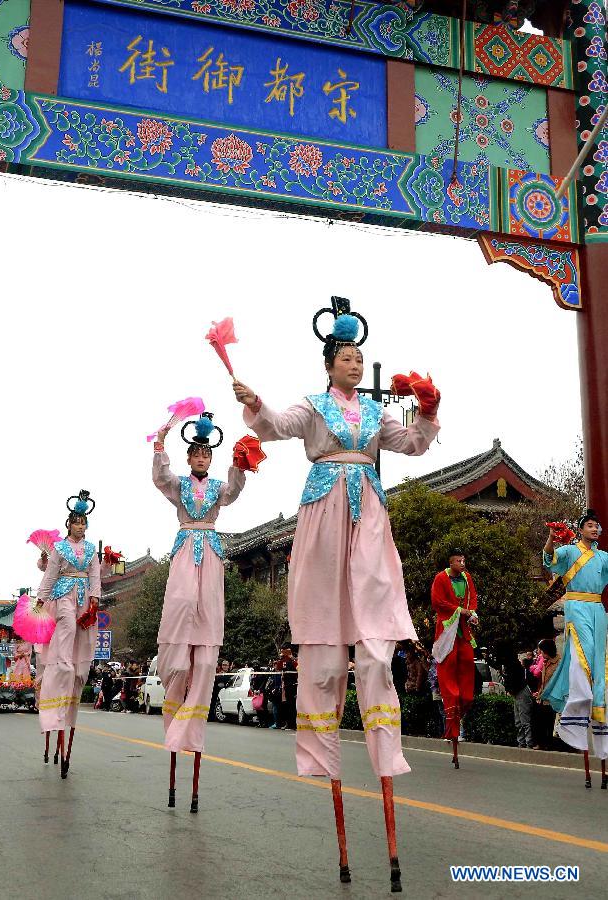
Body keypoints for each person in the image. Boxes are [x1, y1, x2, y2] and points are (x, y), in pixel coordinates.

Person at [233, 296, 440, 889]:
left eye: (359, 355)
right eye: (348, 356)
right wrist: (255, 404)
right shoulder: (315, 405)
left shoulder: (375, 414)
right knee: (323, 641)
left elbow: (414, 443)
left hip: (369, 508)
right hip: (324, 508)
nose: (355, 363)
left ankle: (384, 747)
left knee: (375, 637)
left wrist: (428, 407)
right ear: (330, 362)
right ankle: (324, 755)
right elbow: (277, 426)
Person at [152, 409, 253, 811]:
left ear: (210, 458)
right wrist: (160, 443)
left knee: (207, 608)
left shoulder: (216, 490)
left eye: (205, 455)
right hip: (184, 549)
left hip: (210, 550)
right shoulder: (177, 485)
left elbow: (234, 489)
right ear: (188, 456)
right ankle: (173, 660)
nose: (200, 459)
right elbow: (160, 479)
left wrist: (240, 463)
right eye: (195, 453)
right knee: (180, 604)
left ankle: (200, 664)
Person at [36, 490, 101, 777]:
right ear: (68, 524)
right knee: (64, 625)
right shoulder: (59, 550)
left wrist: (96, 599)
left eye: (83, 522)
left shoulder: (90, 551)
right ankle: (61, 664)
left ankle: (73, 666)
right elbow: (50, 576)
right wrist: (41, 598)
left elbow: (96, 575)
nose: (80, 526)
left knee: (79, 630)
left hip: (83, 595)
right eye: (76, 522)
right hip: (62, 594)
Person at [542, 511, 608, 787]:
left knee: (599, 663)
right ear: (581, 529)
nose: (595, 529)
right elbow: (549, 560)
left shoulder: (604, 557)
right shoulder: (569, 551)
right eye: (590, 526)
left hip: (598, 609)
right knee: (584, 656)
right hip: (577, 607)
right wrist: (550, 539)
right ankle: (580, 696)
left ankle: (598, 701)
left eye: (597, 526)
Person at [431, 550, 478, 768]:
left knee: (468, 665)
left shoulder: (467, 578)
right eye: (458, 561)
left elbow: (473, 600)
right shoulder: (441, 578)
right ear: (450, 563)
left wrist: (472, 613)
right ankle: (452, 723)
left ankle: (461, 709)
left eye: (463, 560)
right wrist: (460, 610)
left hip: (464, 631)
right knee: (448, 675)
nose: (462, 563)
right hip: (448, 629)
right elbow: (438, 602)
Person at [500, 647, 534, 750]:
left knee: (524, 720)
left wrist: (510, 690)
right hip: (518, 693)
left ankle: (528, 742)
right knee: (519, 721)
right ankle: (522, 742)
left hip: (521, 692)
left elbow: (514, 682)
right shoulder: (511, 665)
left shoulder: (513, 665)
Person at [533, 638, 560, 751]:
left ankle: (549, 745)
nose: (541, 654)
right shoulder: (545, 662)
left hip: (552, 699)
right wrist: (539, 695)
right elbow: (543, 681)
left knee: (549, 723)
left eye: (542, 651)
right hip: (543, 697)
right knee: (540, 722)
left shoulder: (559, 663)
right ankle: (541, 743)